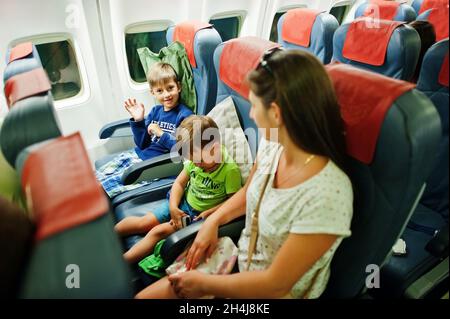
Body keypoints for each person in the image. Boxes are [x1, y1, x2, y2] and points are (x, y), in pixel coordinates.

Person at [135, 49, 353, 299]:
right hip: (240, 257)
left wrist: (205, 285)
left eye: (254, 106)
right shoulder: (274, 145)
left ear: (276, 114)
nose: (250, 114)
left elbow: (277, 284)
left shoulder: (328, 195)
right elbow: (250, 190)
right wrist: (214, 221)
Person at [115, 115, 242, 264]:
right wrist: (173, 207)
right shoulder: (194, 161)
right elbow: (179, 184)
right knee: (144, 222)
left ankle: (122, 263)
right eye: (192, 160)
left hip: (196, 217)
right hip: (181, 203)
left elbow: (233, 201)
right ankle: (109, 235)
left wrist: (212, 212)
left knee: (158, 232)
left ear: (213, 149)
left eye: (199, 160)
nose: (196, 164)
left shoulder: (229, 170)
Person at [96, 62, 194, 198]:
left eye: (170, 88)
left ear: (179, 86)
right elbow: (142, 144)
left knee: (103, 187)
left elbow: (184, 150)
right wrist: (138, 121)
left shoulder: (184, 115)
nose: (166, 94)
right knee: (96, 177)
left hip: (154, 165)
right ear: (152, 92)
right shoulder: (156, 111)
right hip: (138, 154)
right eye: (160, 91)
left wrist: (161, 134)